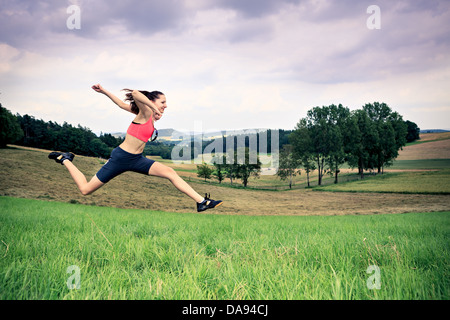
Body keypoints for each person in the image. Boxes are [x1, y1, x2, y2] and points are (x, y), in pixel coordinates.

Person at [48, 84, 223, 212]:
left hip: (137, 159)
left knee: (170, 172)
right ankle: (65, 159)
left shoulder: (148, 115)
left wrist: (104, 91)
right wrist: (154, 108)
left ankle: (202, 202)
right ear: (152, 102)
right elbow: (135, 93)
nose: (165, 106)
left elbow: (120, 104)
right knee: (85, 190)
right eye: (163, 102)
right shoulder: (145, 112)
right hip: (121, 158)